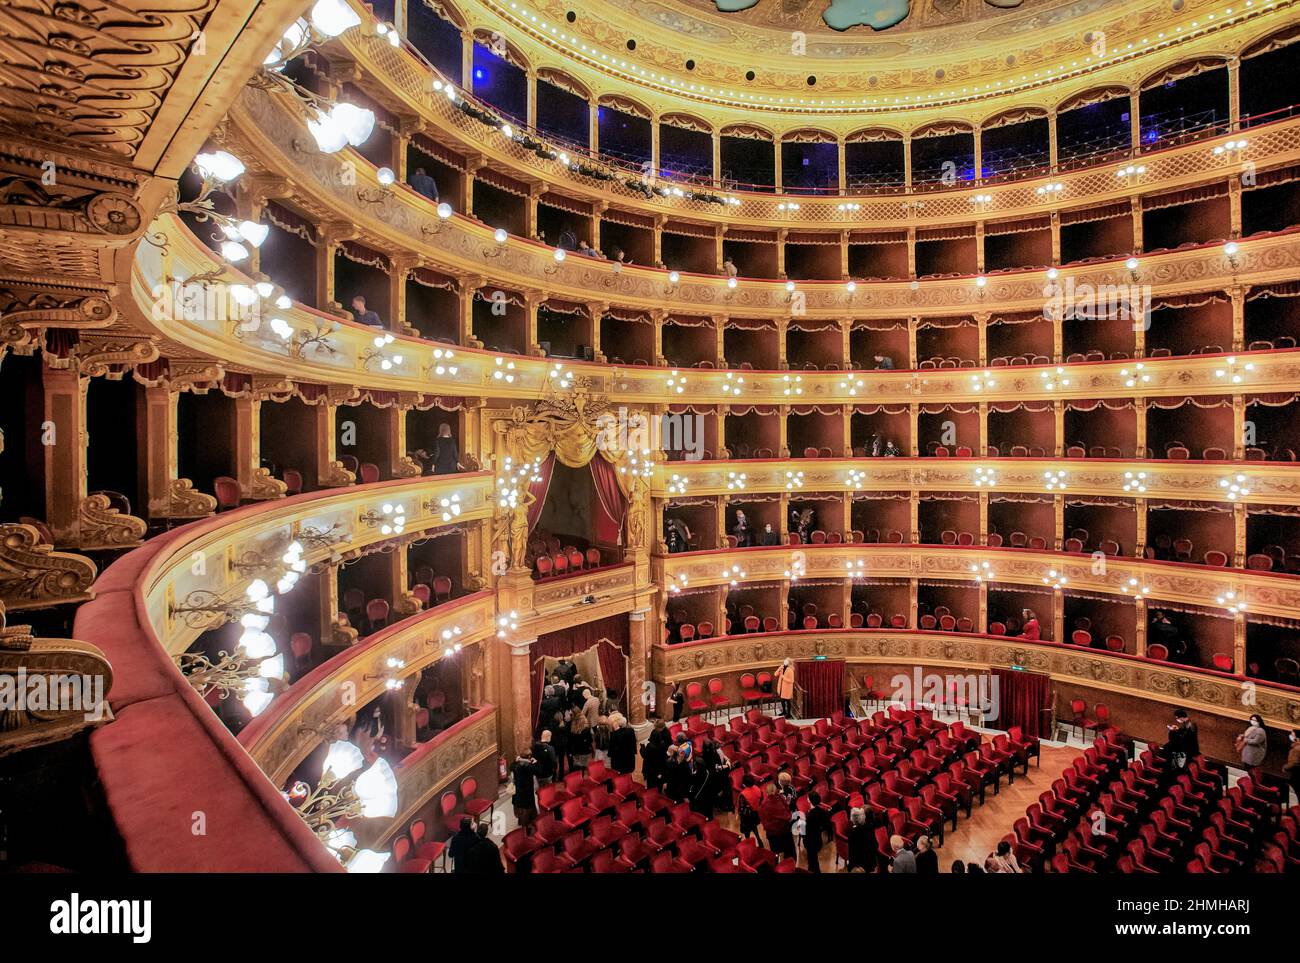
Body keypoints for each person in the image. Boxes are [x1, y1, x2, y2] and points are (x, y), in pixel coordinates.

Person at [759, 783, 796, 860]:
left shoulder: (764, 804)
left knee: (775, 851)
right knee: (789, 850)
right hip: (784, 830)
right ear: (776, 791)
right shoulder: (781, 797)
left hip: (773, 833)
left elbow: (763, 818)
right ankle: (789, 864)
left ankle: (777, 863)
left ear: (766, 792)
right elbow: (787, 810)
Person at [803, 791, 832, 873]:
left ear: (810, 800)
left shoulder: (810, 816)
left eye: (808, 798)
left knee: (812, 862)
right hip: (818, 840)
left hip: (811, 842)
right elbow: (827, 825)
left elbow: (805, 832)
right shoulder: (822, 812)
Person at [511, 749, 540, 828]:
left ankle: (522, 822)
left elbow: (511, 767)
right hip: (527, 791)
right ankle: (528, 824)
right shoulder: (529, 767)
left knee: (521, 807)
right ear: (529, 757)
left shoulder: (516, 766)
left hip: (519, 790)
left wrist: (515, 761)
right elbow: (539, 771)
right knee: (528, 808)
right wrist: (536, 762)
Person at [641, 720, 672, 789]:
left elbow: (645, 755)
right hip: (659, 762)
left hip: (652, 765)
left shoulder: (651, 746)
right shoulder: (661, 744)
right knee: (658, 780)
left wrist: (642, 747)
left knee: (652, 781)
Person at [845, 807, 875, 873]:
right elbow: (875, 844)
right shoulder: (870, 826)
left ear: (852, 820)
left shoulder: (852, 834)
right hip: (870, 861)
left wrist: (852, 866)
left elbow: (852, 852)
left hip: (859, 865)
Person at [737, 775, 764, 842]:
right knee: (754, 826)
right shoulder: (757, 788)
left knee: (746, 831)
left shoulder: (743, 794)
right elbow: (761, 798)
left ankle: (748, 843)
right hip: (756, 813)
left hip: (747, 816)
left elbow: (741, 808)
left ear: (744, 784)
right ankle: (759, 840)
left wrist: (739, 814)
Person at [1284, 729, 1300, 802]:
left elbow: (1294, 763)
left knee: (1294, 791)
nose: (1290, 736)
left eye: (1292, 735)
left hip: (1296, 773)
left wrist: (1285, 768)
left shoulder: (1296, 749)